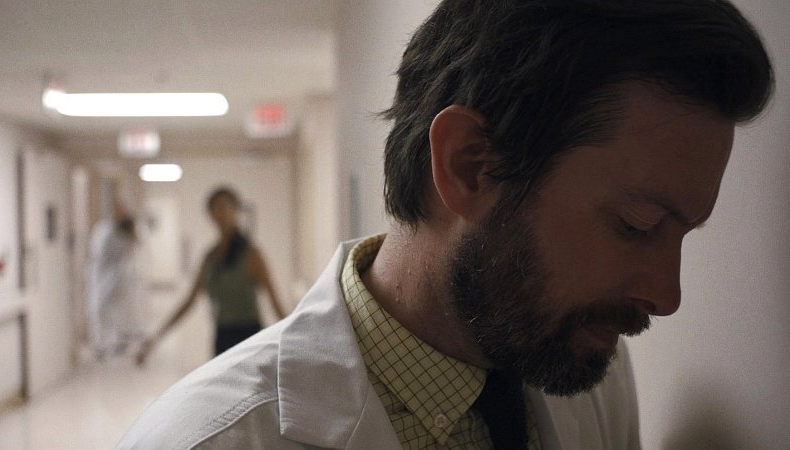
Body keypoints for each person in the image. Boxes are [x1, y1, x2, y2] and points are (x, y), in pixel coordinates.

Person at [119, 1, 773, 449]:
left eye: (683, 235)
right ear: (469, 165)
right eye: (636, 224)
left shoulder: (589, 369)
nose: (666, 295)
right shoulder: (206, 440)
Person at [136, 187, 284, 363]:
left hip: (250, 338)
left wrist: (298, 339)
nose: (220, 213)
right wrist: (155, 339)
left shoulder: (251, 254)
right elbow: (189, 301)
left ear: (236, 211)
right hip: (222, 336)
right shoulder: (210, 258)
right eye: (215, 208)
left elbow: (275, 303)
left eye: (225, 207)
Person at [86, 206, 146, 359]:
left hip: (112, 277)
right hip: (109, 277)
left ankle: (109, 343)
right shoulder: (111, 233)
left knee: (105, 312)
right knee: (105, 312)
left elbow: (98, 252)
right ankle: (107, 343)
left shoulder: (109, 232)